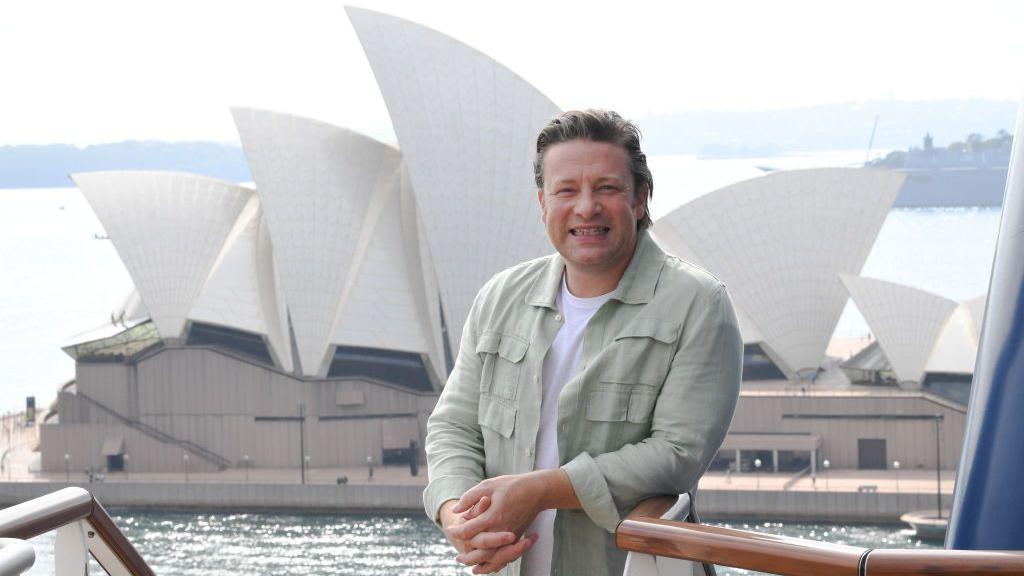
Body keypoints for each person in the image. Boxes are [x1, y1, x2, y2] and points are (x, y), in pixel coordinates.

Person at [423, 109, 743, 576]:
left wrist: (540, 490)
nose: (586, 207)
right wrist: (456, 513)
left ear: (640, 199)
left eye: (607, 188)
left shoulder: (698, 304)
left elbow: (677, 454)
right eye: (567, 190)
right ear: (542, 203)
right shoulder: (501, 297)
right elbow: (453, 426)